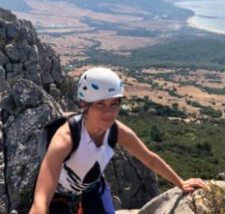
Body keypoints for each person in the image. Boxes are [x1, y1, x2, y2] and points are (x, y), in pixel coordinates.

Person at [30, 67, 208, 214]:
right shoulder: (66, 138)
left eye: (114, 104)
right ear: (84, 105)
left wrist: (180, 182)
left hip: (92, 189)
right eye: (100, 104)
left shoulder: (117, 131)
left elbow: (149, 159)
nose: (109, 113)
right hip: (58, 197)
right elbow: (41, 198)